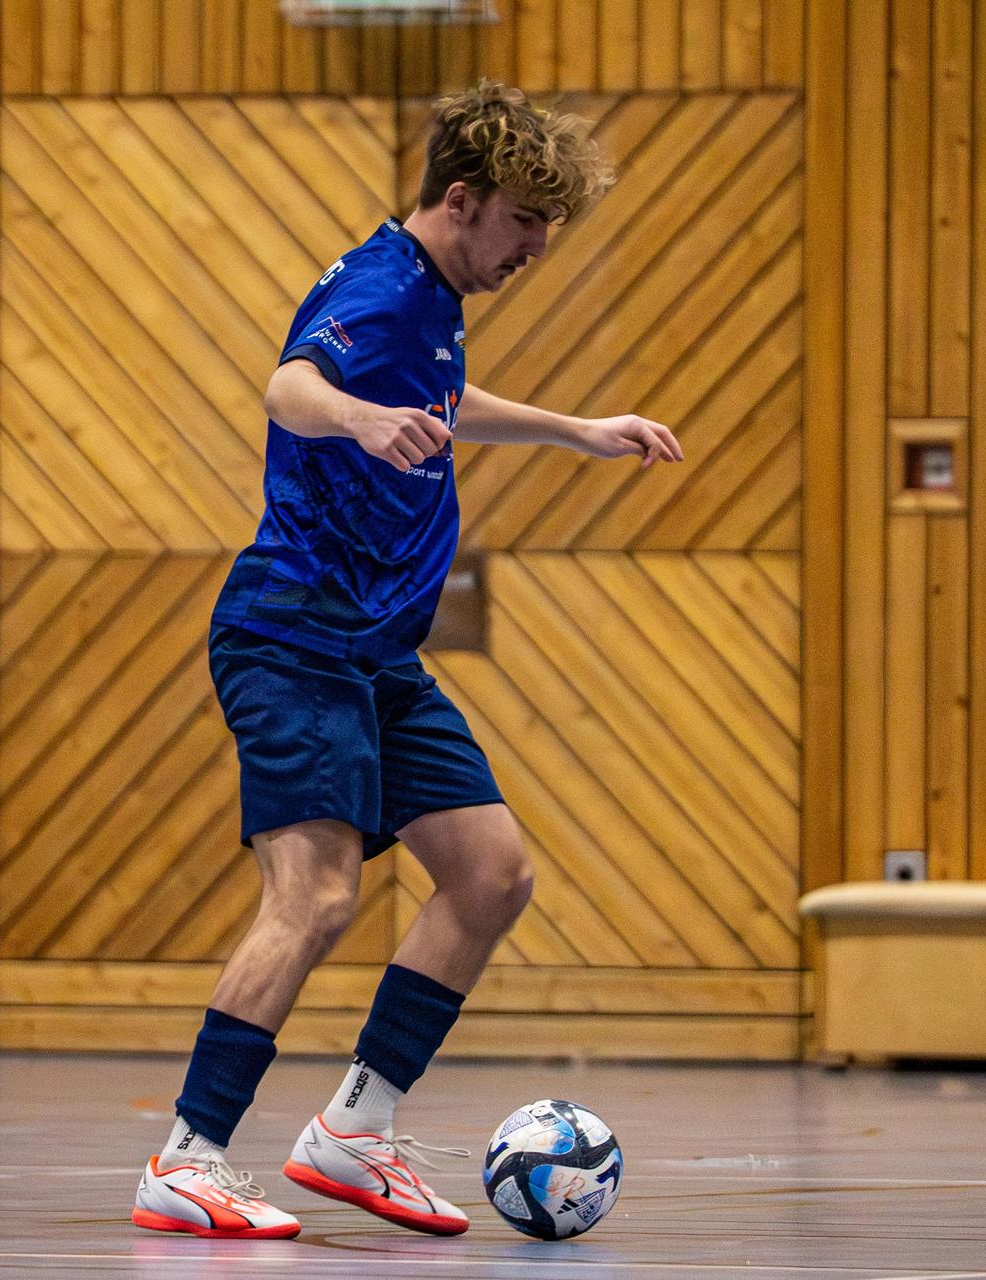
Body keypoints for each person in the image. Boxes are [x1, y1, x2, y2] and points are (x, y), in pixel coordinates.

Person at [131, 80, 682, 1240]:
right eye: (524, 220)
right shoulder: (383, 287)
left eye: (549, 225)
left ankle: (354, 1129)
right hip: (295, 635)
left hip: (376, 649)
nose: (537, 246)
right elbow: (290, 384)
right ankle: (186, 1157)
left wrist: (576, 430)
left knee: (491, 874)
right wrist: (355, 418)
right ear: (462, 198)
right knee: (318, 894)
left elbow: (438, 396)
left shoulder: (430, 296)